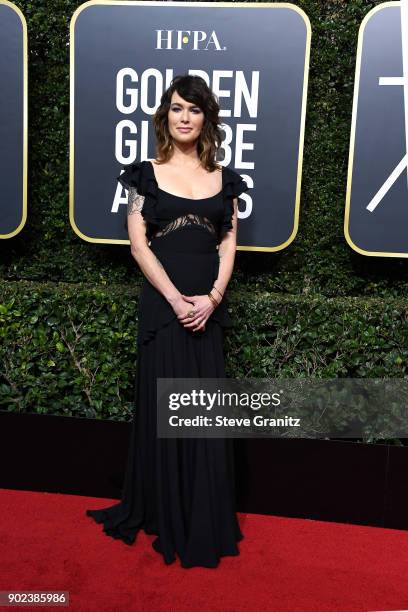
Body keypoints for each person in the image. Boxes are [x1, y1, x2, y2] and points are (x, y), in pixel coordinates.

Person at [86, 74, 249, 568]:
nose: (185, 117)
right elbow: (139, 245)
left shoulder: (226, 179)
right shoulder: (144, 175)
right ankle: (160, 508)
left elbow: (228, 242)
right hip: (166, 309)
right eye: (177, 108)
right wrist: (178, 300)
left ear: (207, 119)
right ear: (165, 116)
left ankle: (202, 512)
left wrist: (213, 298)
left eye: (194, 110)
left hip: (208, 310)